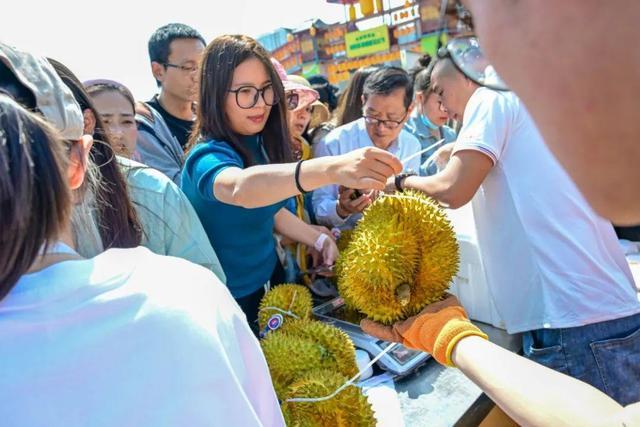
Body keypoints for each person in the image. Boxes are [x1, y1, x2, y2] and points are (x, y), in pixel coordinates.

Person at [0, 45, 283, 426]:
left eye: (266, 90)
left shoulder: (155, 198)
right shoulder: (186, 294)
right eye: (246, 91)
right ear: (78, 159)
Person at [390, 52, 640, 403]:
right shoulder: (530, 97)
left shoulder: (489, 97)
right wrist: (460, 149)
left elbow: (453, 189)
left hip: (571, 323)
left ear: (464, 72)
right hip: (597, 312)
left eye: (439, 91)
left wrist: (400, 182)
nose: (442, 108)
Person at [180, 35, 402, 328]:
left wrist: (317, 237)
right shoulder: (205, 157)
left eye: (266, 90)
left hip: (272, 281)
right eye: (245, 92)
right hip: (229, 303)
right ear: (215, 94)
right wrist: (332, 168)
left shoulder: (257, 144)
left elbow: (272, 210)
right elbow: (241, 188)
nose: (261, 104)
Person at [50, 59, 226, 281]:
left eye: (127, 121)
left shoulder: (154, 189)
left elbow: (207, 280)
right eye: (106, 121)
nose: (116, 133)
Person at [312, 66, 422, 230]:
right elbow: (318, 208)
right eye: (373, 116)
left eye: (392, 119)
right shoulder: (333, 144)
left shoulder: (412, 145)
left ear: (409, 111)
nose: (381, 128)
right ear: (363, 101)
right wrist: (341, 209)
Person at [136, 23, 205, 185]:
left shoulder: (212, 117)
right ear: (158, 71)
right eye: (188, 67)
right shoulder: (143, 126)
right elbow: (172, 189)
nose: (197, 75)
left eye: (202, 66)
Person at [404, 55, 457, 176]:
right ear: (420, 98)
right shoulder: (406, 134)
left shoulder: (450, 134)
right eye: (440, 102)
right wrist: (438, 157)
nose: (445, 109)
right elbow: (407, 179)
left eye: (448, 102)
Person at [84, 79, 139, 160]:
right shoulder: (63, 171)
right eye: (105, 122)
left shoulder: (147, 172)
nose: (118, 134)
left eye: (127, 121)